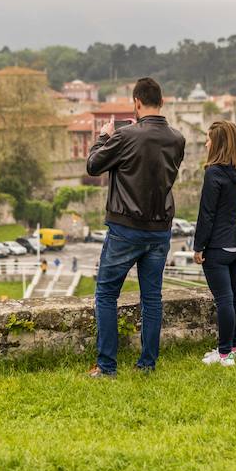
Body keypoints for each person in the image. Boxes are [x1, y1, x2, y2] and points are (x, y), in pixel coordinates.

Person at [85, 77, 185, 377]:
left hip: (126, 225)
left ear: (136, 103)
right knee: (152, 297)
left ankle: (106, 366)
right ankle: (147, 364)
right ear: (162, 101)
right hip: (160, 227)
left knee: (106, 294)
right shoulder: (177, 139)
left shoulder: (125, 136)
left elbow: (93, 165)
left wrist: (105, 138)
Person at [193, 120, 236, 368]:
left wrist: (198, 247)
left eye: (208, 139)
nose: (206, 143)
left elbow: (207, 215)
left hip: (217, 246)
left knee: (224, 299)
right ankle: (235, 347)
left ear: (217, 144)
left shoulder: (213, 173)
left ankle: (224, 353)